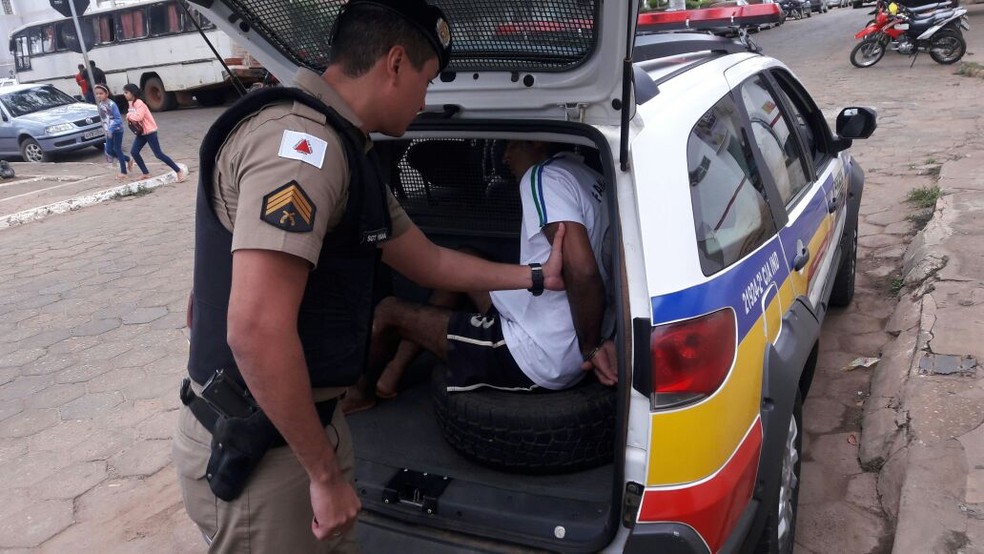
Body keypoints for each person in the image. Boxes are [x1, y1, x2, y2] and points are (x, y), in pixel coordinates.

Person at [173, 1, 566, 552]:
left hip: (298, 432)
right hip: (264, 451)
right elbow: (256, 328)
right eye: (427, 81)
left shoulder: (340, 149)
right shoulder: (302, 150)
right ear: (396, 63)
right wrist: (325, 476)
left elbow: (429, 262)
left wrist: (534, 277)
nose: (427, 99)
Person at [346, 141, 617, 413]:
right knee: (467, 258)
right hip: (557, 324)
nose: (505, 157)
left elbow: (581, 270)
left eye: (510, 145)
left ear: (536, 141)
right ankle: (391, 374)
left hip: (538, 355)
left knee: (388, 312)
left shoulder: (543, 176)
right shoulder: (587, 174)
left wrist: (591, 348)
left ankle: (359, 395)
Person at [122, 83, 185, 182]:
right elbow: (131, 115)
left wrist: (129, 116)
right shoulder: (131, 103)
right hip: (141, 133)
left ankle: (178, 171)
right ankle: (146, 173)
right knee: (134, 152)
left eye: (126, 92)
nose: (124, 95)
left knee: (158, 154)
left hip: (150, 132)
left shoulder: (139, 103)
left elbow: (138, 117)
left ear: (133, 93)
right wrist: (130, 115)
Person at [94, 85, 130, 180]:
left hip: (117, 130)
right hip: (108, 131)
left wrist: (111, 129)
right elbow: (104, 119)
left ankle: (124, 172)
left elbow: (118, 119)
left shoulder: (112, 104)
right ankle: (128, 159)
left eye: (101, 93)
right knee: (109, 150)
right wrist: (106, 130)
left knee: (117, 149)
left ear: (107, 93)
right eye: (97, 94)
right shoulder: (101, 104)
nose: (99, 96)